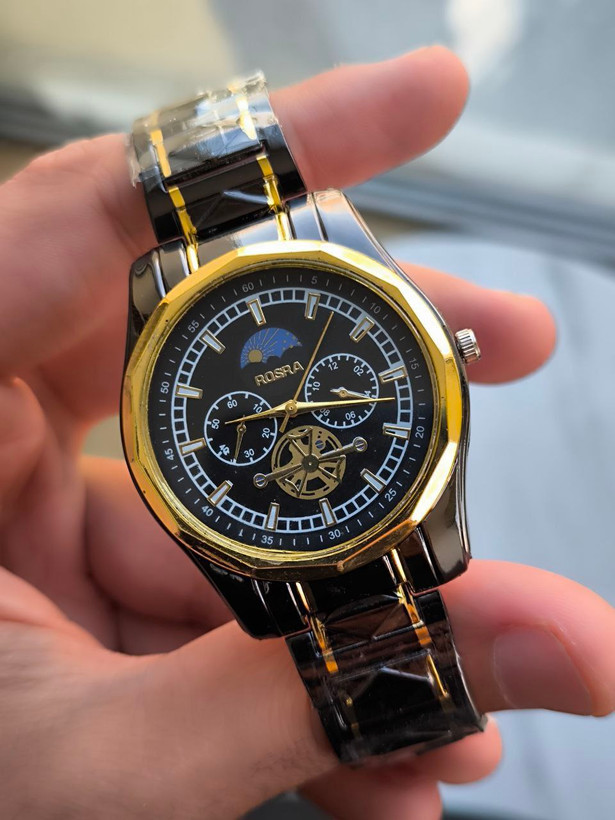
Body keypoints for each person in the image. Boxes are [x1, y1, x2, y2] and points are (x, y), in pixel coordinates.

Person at [0, 47, 612, 820]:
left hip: (311, 516)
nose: (291, 413)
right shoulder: (303, 241)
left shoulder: (317, 234)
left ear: (446, 354)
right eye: (260, 413)